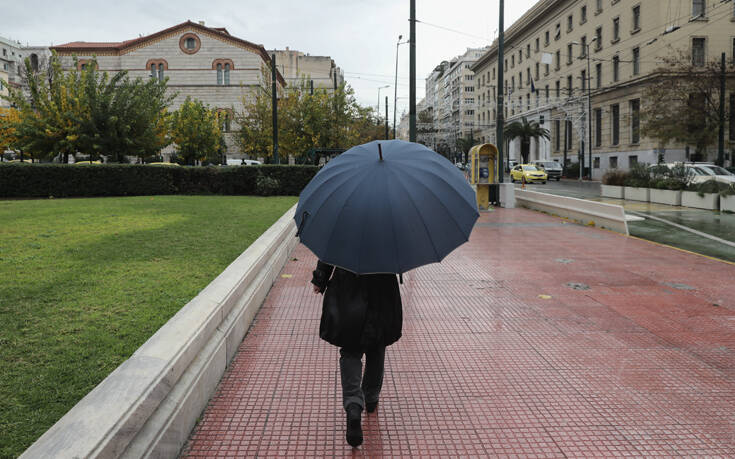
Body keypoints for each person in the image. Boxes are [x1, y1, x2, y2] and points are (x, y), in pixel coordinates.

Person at [311, 260, 402, 448]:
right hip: (382, 287)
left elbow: (329, 252)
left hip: (348, 287)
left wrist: (320, 278)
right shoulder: (389, 230)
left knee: (350, 350)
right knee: (377, 346)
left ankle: (353, 405)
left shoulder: (343, 229)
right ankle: (370, 397)